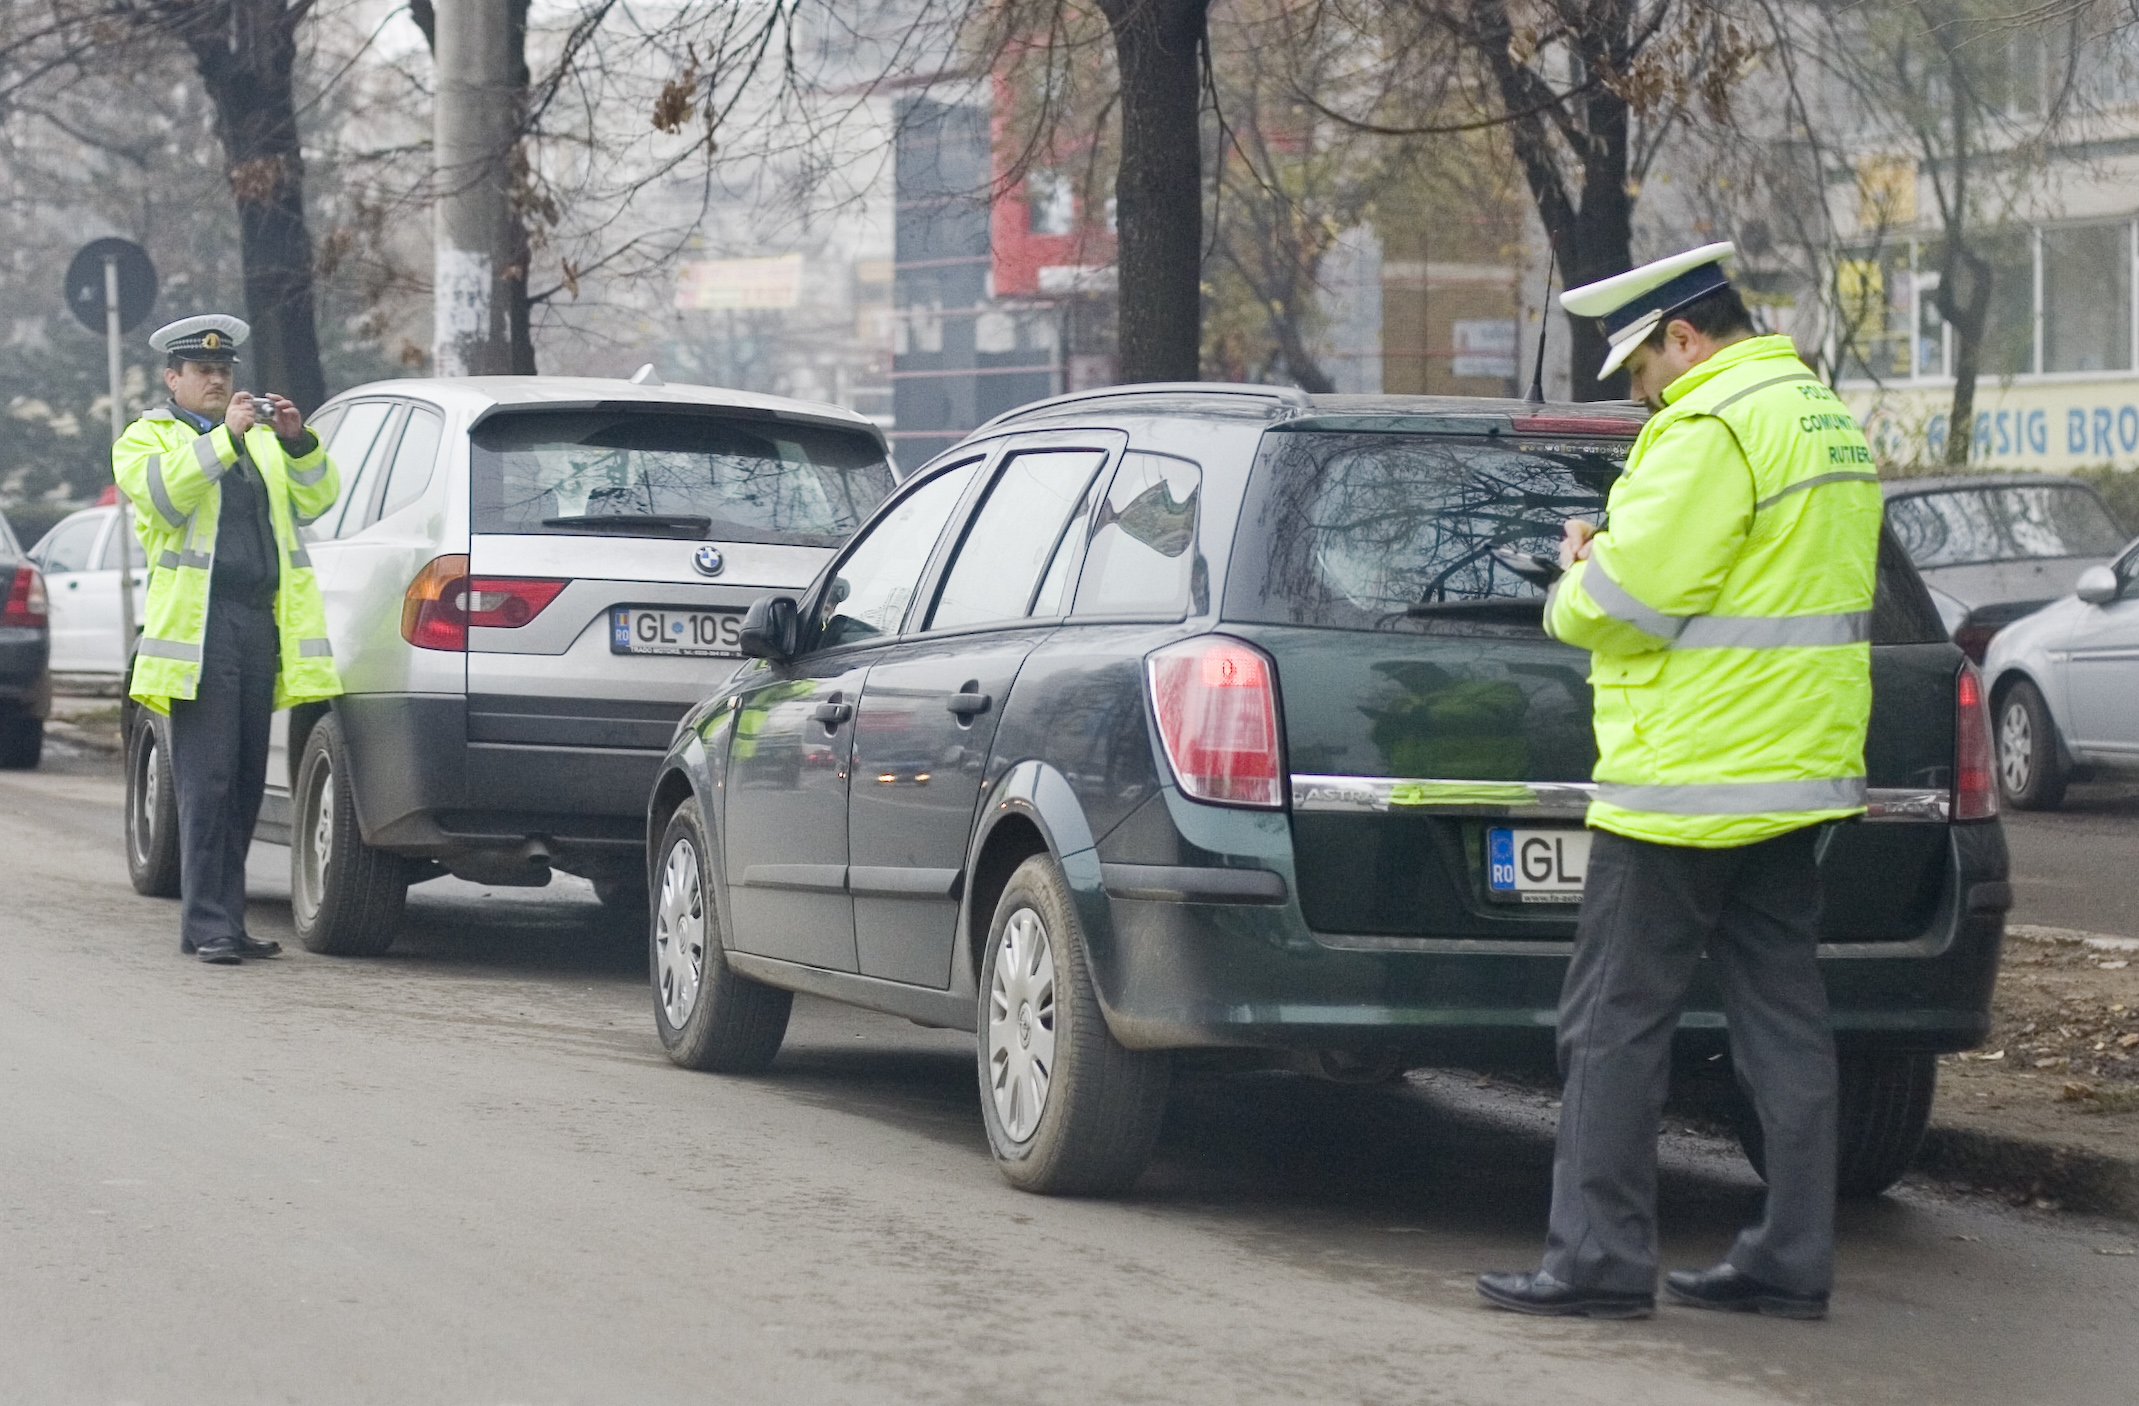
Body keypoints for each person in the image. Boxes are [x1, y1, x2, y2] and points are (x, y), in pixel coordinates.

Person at [1475, 244, 1884, 1321]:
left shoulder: (1708, 424)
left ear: (1684, 336)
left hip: (1685, 775)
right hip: (1795, 770)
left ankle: (1597, 1259)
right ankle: (1791, 1256)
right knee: (1784, 1023)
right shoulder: (1820, 415)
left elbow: (1630, 603)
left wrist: (1576, 572)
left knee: (1611, 1021)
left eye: (1642, 365)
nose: (1642, 390)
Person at [113, 315, 342, 965]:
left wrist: (298, 442)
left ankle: (224, 922)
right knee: (207, 782)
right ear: (173, 378)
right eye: (203, 371)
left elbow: (318, 499)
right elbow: (165, 497)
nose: (217, 380)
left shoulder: (261, 441)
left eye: (224, 370)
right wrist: (226, 439)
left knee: (243, 782)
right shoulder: (147, 437)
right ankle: (207, 923)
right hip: (200, 629)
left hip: (256, 622)